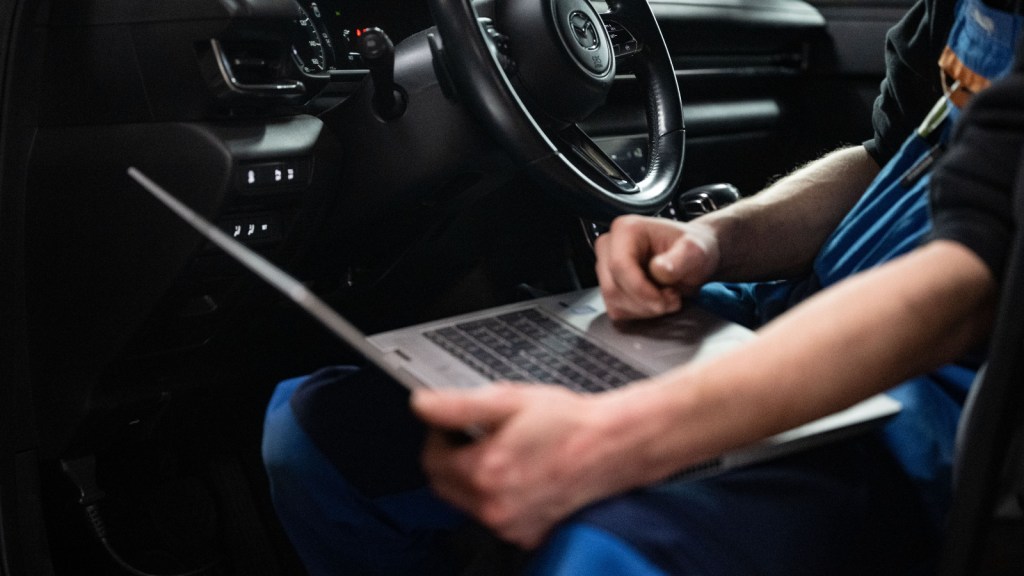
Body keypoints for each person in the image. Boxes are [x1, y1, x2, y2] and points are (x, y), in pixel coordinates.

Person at [262, 0, 1024, 573]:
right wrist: (716, 240)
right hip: (780, 312)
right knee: (316, 434)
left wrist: (610, 440)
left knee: (605, 554)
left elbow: (965, 290)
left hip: (939, 404)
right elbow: (887, 155)